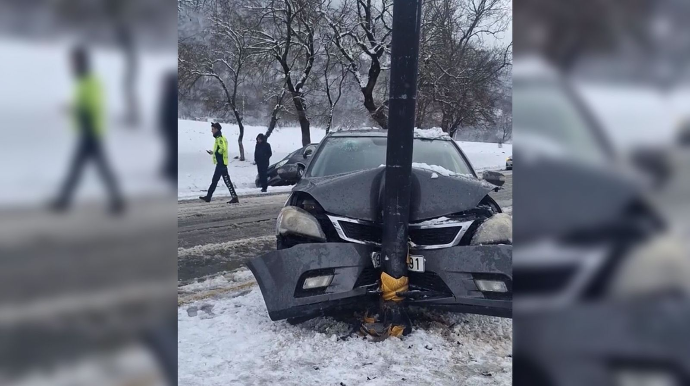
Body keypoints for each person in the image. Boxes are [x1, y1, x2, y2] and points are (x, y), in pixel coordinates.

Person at [53, 46, 124, 214]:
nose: (71, 64)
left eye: (74, 60)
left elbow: (92, 107)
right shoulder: (83, 80)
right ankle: (117, 201)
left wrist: (73, 109)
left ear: (81, 61)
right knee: (97, 168)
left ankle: (63, 201)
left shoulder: (90, 81)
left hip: (91, 132)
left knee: (82, 168)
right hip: (88, 132)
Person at [199, 122, 239, 204]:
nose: (211, 131)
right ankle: (209, 197)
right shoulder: (220, 138)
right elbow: (220, 149)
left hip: (221, 163)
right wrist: (213, 153)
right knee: (218, 180)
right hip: (221, 163)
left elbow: (222, 149)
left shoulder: (219, 138)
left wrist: (217, 153)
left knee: (224, 180)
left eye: (212, 129)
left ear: (217, 129)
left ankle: (210, 197)